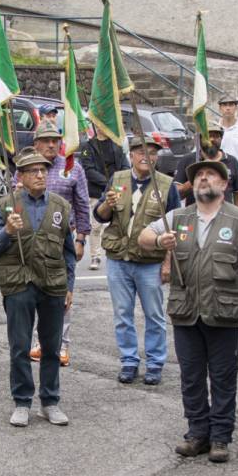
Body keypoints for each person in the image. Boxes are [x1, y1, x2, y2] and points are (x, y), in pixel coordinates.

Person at [143, 158, 238, 461]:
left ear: (224, 184)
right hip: (186, 311)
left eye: (211, 175)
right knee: (191, 376)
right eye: (199, 175)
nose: (203, 178)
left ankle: (221, 437)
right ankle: (197, 432)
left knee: (223, 377)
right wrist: (160, 239)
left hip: (223, 310)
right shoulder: (179, 216)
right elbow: (143, 237)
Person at [0, 148, 77, 427]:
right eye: (33, 171)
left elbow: (69, 252)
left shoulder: (61, 206)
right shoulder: (6, 204)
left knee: (51, 347)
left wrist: (70, 286)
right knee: (20, 346)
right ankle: (22, 401)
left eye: (43, 170)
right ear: (21, 176)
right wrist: (7, 231)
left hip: (53, 284)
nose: (40, 175)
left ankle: (50, 402)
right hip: (18, 282)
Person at [94, 133, 178, 386]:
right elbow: (100, 216)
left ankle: (155, 363)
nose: (146, 157)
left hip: (150, 261)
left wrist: (168, 263)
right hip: (118, 258)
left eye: (152, 153)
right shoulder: (117, 179)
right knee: (122, 314)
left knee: (154, 315)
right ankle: (129, 361)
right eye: (141, 152)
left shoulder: (167, 185)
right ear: (131, 155)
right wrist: (107, 205)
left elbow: (175, 226)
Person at [28, 121, 90, 366]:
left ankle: (62, 345)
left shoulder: (73, 167)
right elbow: (13, 196)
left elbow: (82, 204)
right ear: (36, 144)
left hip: (62, 238)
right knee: (33, 290)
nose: (51, 144)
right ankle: (39, 342)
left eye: (55, 140)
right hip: (32, 238)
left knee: (63, 291)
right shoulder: (27, 167)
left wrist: (82, 238)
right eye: (46, 140)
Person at [180, 120, 238, 208]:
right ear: (199, 139)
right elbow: (177, 194)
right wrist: (195, 178)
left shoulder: (232, 161)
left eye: (215, 136)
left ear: (221, 139)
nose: (211, 139)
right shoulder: (187, 160)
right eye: (207, 136)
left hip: (225, 214)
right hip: (195, 215)